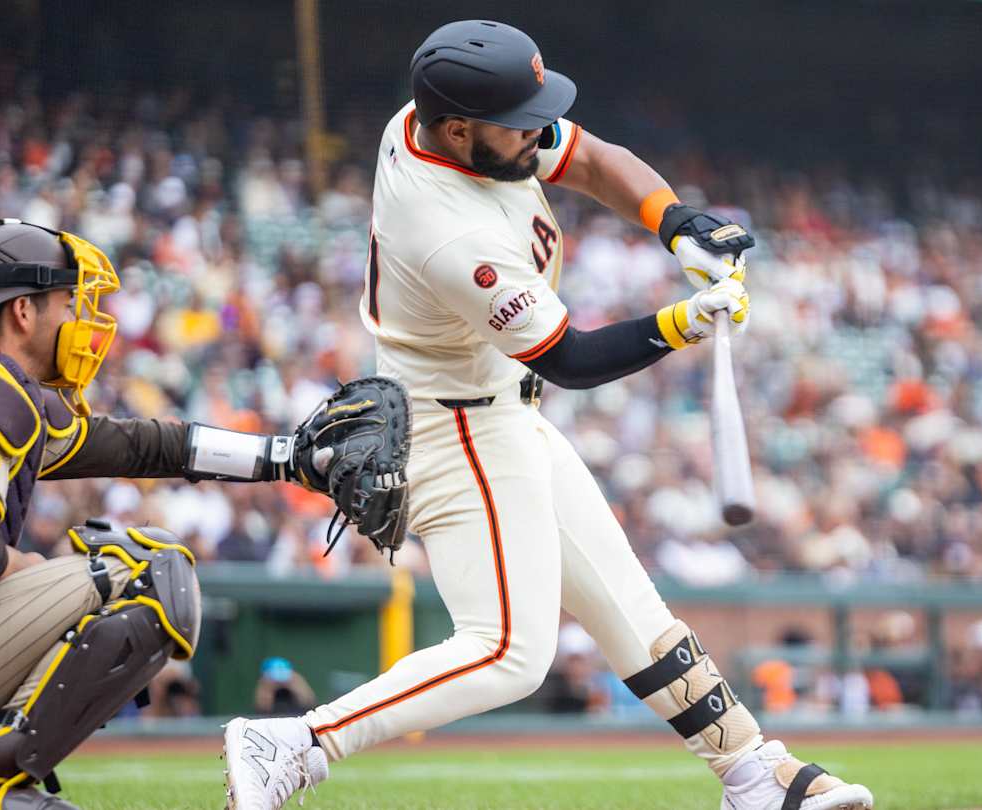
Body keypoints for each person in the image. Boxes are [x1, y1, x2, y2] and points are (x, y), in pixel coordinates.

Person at [222, 20, 874, 810]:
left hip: (497, 407)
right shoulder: (446, 225)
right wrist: (682, 322)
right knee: (508, 651)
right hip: (455, 423)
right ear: (459, 129)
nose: (538, 128)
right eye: (519, 117)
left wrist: (677, 223)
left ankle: (752, 774)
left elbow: (596, 158)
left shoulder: (451, 125)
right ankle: (295, 742)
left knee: (630, 608)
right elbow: (571, 360)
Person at [0, 212, 333, 810]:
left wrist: (288, 456)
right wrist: (27, 570)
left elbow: (142, 444)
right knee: (147, 567)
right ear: (22, 311)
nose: (77, 319)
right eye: (67, 301)